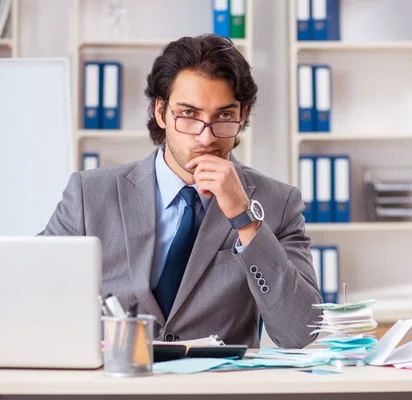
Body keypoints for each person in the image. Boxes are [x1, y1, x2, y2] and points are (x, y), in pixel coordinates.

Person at [42, 34, 322, 348]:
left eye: (224, 116)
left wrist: (246, 220)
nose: (206, 137)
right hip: (115, 386)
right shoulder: (89, 194)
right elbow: (31, 294)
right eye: (189, 115)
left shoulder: (277, 203)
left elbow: (300, 332)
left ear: (242, 117)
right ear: (161, 112)